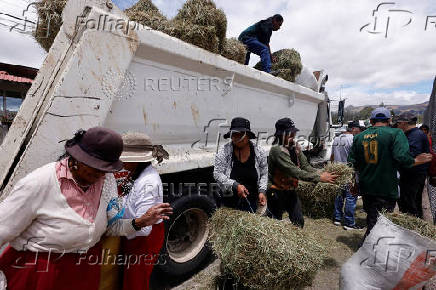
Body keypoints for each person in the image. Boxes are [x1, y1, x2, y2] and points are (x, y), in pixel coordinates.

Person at [0, 127, 172, 290]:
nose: (98, 175)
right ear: (76, 158)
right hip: (40, 270)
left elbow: (111, 226)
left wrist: (139, 222)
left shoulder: (107, 181)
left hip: (85, 270)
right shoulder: (39, 182)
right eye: (93, 168)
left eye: (104, 170)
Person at [348, 108, 432, 242]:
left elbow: (352, 163)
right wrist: (416, 160)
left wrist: (354, 183)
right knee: (379, 223)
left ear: (371, 121)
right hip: (385, 187)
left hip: (366, 186)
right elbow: (401, 157)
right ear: (389, 121)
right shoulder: (396, 133)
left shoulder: (358, 137)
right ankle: (368, 251)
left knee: (372, 218)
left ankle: (372, 249)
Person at [115, 132, 169, 290]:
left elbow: (144, 228)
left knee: (135, 281)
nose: (121, 161)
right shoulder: (135, 173)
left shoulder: (148, 184)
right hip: (133, 232)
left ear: (136, 159)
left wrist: (115, 227)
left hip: (143, 240)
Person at [267, 118, 337, 228]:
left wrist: (322, 173)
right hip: (276, 192)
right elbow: (295, 172)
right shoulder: (277, 150)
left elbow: (305, 166)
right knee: (275, 223)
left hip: (291, 190)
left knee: (298, 221)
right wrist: (319, 178)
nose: (293, 135)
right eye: (289, 132)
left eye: (293, 132)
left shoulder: (295, 146)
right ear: (281, 134)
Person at [214, 117, 268, 213]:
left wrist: (262, 191)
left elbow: (264, 173)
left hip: (250, 200)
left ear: (247, 136)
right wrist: (235, 185)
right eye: (235, 135)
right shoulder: (224, 151)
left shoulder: (259, 152)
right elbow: (217, 174)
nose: (237, 138)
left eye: (241, 134)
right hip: (229, 201)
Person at [396, 112, 430, 218]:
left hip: (413, 175)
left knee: (410, 204)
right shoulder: (413, 134)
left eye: (398, 123)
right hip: (412, 174)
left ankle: (413, 228)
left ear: (404, 123)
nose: (397, 126)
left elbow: (410, 155)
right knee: (409, 202)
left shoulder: (415, 135)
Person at [332, 121, 362, 230]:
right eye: (358, 129)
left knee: (339, 196)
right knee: (351, 197)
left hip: (337, 171)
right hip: (349, 172)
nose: (359, 131)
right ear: (353, 128)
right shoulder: (353, 139)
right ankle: (349, 223)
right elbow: (356, 157)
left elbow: (332, 155)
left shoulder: (336, 138)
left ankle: (337, 218)